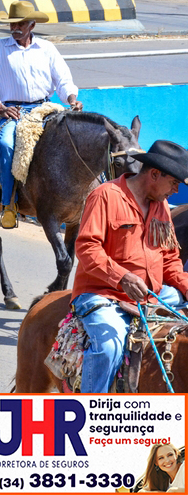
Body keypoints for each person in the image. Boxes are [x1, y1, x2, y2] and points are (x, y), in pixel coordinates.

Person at [71, 140, 188, 394]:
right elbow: (87, 248)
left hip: (150, 294)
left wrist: (186, 287)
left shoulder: (161, 206)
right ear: (154, 174)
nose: (176, 190)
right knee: (108, 347)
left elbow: (170, 259)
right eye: (173, 182)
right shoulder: (105, 196)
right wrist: (122, 277)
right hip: (104, 293)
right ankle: (91, 408)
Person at [0, 0, 82, 230]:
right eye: (12, 24)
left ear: (32, 25)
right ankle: (8, 203)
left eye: (20, 24)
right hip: (14, 110)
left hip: (45, 107)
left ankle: (72, 197)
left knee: (71, 140)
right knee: (5, 144)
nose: (15, 28)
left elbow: (63, 80)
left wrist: (72, 99)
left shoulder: (46, 48)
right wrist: (0, 107)